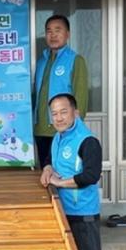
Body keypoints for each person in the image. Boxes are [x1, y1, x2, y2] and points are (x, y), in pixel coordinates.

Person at [40, 93, 104, 250]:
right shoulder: (58, 137)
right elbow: (50, 159)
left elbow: (90, 176)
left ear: (75, 113)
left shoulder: (88, 141)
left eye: (63, 112)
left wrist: (59, 182)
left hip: (83, 215)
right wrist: (47, 169)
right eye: (54, 114)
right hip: (62, 212)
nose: (58, 118)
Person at [34, 14, 88, 166]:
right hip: (40, 130)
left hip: (63, 129)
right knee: (45, 171)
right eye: (49, 31)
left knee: (63, 171)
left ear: (67, 34)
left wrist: (74, 128)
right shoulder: (41, 61)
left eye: (58, 30)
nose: (53, 35)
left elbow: (81, 97)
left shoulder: (75, 60)